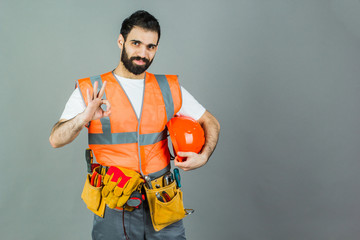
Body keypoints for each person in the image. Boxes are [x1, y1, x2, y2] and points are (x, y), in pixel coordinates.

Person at [49, 10, 220, 240]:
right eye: (136, 43)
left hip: (163, 203)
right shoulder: (92, 88)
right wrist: (83, 118)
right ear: (121, 41)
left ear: (156, 48)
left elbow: (211, 122)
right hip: (114, 204)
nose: (142, 53)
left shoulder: (169, 88)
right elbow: (55, 139)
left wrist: (204, 156)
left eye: (150, 46)